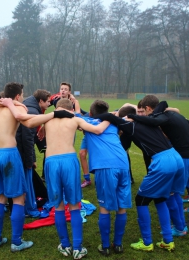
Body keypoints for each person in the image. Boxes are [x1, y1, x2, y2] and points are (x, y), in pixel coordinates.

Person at [0, 82, 75, 252]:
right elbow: (27, 122)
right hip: (8, 153)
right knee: (19, 197)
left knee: (0, 198)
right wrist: (53, 114)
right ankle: (16, 242)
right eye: (22, 95)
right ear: (18, 95)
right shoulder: (20, 107)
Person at [24, 98, 109, 259]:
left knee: (59, 206)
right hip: (69, 161)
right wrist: (110, 118)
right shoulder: (75, 118)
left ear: (57, 108)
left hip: (51, 162)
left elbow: (30, 123)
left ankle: (65, 245)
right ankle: (77, 247)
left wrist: (44, 125)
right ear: (70, 109)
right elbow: (97, 130)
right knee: (74, 206)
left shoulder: (48, 118)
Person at [96, 106, 187, 252]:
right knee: (160, 198)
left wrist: (103, 117)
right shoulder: (148, 120)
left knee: (141, 200)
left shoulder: (129, 124)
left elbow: (110, 117)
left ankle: (147, 242)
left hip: (162, 162)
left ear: (125, 118)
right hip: (176, 157)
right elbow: (124, 144)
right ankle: (168, 240)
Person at [127, 95, 189, 237]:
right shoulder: (172, 114)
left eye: (144, 112)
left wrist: (132, 117)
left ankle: (179, 228)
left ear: (148, 108)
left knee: (170, 195)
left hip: (183, 157)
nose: (145, 115)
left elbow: (153, 121)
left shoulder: (163, 116)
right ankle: (181, 225)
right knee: (175, 193)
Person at [77, 100, 131, 256]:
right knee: (121, 206)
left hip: (105, 166)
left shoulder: (87, 121)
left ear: (92, 113)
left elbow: (73, 116)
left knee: (105, 207)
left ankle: (106, 246)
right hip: (123, 164)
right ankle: (118, 245)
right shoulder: (114, 122)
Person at [15, 89, 51, 217]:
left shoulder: (29, 106)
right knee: (26, 182)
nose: (49, 104)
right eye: (47, 102)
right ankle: (29, 208)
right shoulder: (33, 111)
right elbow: (27, 138)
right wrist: (30, 160)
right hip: (20, 152)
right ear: (40, 101)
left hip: (15, 151)